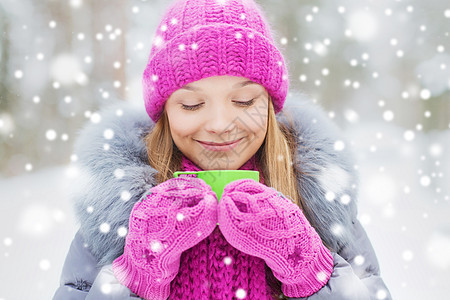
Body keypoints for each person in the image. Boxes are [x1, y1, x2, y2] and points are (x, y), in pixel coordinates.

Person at [53, 0, 392, 299]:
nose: (219, 123)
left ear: (270, 105)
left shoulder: (318, 200)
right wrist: (135, 275)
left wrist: (310, 271)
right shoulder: (115, 211)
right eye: (191, 104)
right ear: (165, 111)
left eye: (244, 101)